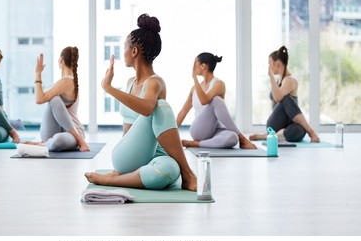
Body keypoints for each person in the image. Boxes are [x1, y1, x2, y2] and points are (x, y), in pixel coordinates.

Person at [85, 14, 197, 191]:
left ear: (134, 51)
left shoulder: (155, 82)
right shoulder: (130, 83)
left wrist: (109, 87)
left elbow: (146, 108)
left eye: (125, 47)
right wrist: (109, 87)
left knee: (169, 170)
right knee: (160, 107)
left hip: (157, 154)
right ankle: (188, 174)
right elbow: (132, 127)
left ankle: (179, 172)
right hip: (127, 156)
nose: (123, 53)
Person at [177, 52, 257, 149]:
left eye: (195, 63)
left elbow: (204, 99)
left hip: (216, 129)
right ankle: (242, 137)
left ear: (203, 66)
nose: (193, 67)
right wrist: (170, 133)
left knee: (232, 138)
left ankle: (196, 144)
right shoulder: (194, 89)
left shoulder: (219, 84)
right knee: (216, 100)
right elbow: (183, 112)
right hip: (199, 130)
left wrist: (194, 78)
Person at [23, 47, 89, 152]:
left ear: (61, 59)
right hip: (57, 130)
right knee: (54, 100)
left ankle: (79, 140)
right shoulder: (65, 82)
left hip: (71, 134)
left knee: (57, 141)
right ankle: (43, 144)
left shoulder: (66, 82)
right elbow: (40, 99)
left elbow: (39, 99)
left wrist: (38, 74)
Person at [250, 46, 320, 142]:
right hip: (275, 124)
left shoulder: (290, 80)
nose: (269, 67)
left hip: (290, 124)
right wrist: (271, 77)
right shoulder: (277, 81)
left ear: (277, 64)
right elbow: (277, 100)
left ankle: (270, 136)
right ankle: (311, 132)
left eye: (270, 64)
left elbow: (278, 97)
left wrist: (271, 77)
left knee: (300, 131)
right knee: (285, 98)